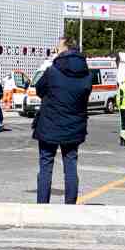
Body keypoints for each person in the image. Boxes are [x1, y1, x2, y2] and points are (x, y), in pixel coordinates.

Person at [32, 37, 91, 204]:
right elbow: (84, 96)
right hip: (74, 126)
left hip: (49, 124)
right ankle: (70, 205)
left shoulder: (52, 71)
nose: (56, 51)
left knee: (45, 166)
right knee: (71, 166)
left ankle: (43, 206)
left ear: (64, 49)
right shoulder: (86, 73)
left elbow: (38, 89)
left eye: (58, 48)